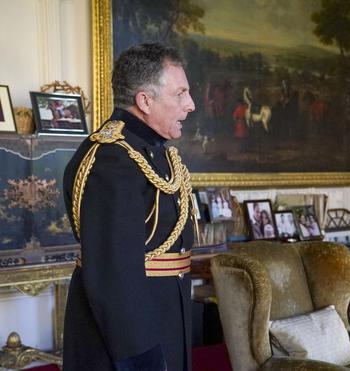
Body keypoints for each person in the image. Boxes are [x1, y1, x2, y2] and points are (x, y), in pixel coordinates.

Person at [62, 43, 197, 371]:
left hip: (164, 315)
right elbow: (114, 275)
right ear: (145, 101)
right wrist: (143, 360)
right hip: (129, 341)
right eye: (180, 93)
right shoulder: (112, 160)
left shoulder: (156, 152)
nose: (190, 105)